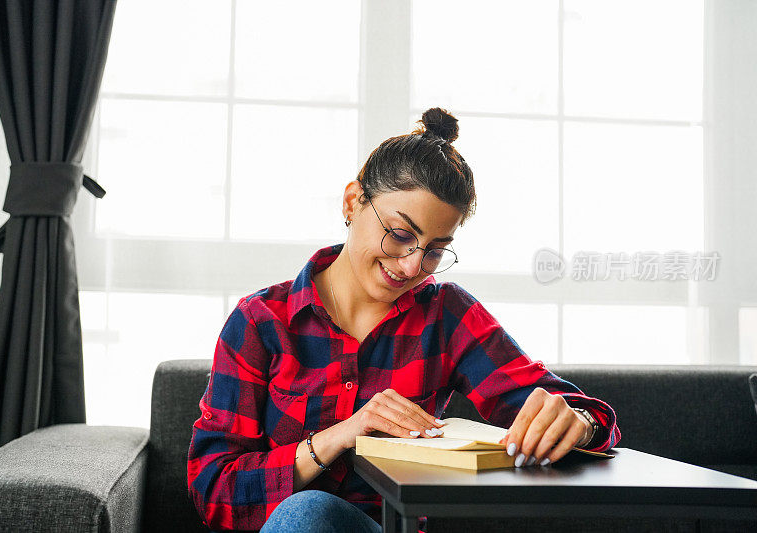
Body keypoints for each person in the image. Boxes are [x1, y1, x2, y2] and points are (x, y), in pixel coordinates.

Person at [187, 107, 621, 532]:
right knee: (308, 512)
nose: (413, 267)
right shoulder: (261, 322)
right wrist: (341, 435)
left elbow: (582, 413)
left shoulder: (446, 317)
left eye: (434, 250)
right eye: (400, 235)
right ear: (354, 201)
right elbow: (213, 492)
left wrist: (578, 423)